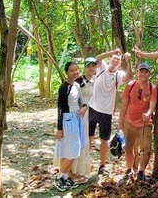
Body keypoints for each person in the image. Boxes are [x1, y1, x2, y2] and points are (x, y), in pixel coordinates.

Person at [87, 48, 132, 175]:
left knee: (104, 140)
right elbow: (97, 58)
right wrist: (112, 52)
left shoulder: (119, 75)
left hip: (106, 112)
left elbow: (129, 77)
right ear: (110, 59)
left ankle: (102, 165)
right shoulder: (102, 68)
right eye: (114, 58)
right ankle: (85, 162)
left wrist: (128, 62)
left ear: (120, 63)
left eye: (118, 59)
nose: (116, 60)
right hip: (92, 108)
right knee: (89, 137)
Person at [119, 63, 157, 181]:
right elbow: (124, 104)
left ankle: (141, 170)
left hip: (144, 124)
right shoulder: (130, 85)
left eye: (146, 72)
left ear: (149, 74)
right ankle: (129, 169)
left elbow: (152, 105)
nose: (143, 74)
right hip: (129, 122)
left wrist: (148, 113)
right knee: (128, 148)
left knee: (146, 149)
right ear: (137, 72)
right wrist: (120, 123)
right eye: (141, 71)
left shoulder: (152, 88)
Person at [54, 61, 87, 191]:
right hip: (67, 120)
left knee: (72, 150)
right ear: (67, 72)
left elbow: (82, 102)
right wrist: (60, 129)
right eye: (72, 70)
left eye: (76, 70)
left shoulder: (77, 86)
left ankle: (64, 176)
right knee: (71, 151)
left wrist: (84, 108)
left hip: (77, 119)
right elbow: (60, 109)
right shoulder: (64, 88)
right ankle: (59, 177)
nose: (75, 72)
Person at [71, 56, 97, 178]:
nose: (91, 68)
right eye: (89, 66)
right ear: (85, 68)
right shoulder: (79, 81)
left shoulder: (94, 80)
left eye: (93, 66)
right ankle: (73, 170)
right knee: (78, 140)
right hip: (79, 112)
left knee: (86, 140)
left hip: (88, 113)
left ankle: (81, 169)